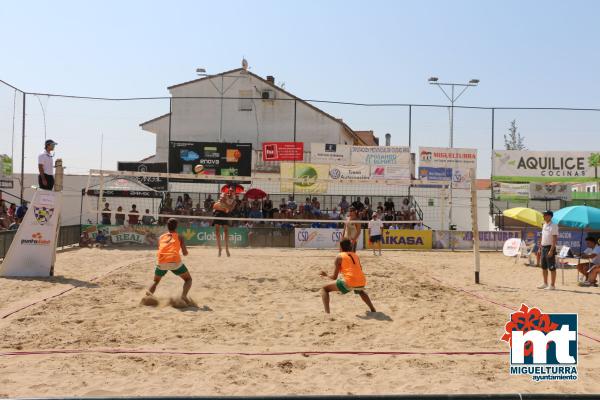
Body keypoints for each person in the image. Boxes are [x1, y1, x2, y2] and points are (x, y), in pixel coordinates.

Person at [319, 239, 376, 314]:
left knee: (324, 289)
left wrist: (326, 275)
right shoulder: (355, 255)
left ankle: (327, 313)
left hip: (350, 281)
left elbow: (334, 277)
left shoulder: (339, 257)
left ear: (341, 247)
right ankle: (373, 309)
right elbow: (359, 269)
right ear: (350, 247)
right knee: (360, 290)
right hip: (362, 280)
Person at [146, 218, 193, 305]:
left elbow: (162, 248)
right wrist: (185, 251)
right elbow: (185, 253)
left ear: (167, 226)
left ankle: (148, 295)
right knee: (188, 279)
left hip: (162, 261)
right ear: (177, 226)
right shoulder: (180, 236)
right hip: (174, 261)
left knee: (156, 281)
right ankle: (184, 296)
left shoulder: (161, 237)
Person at [537, 210, 559, 290]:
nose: (544, 216)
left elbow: (554, 239)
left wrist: (551, 250)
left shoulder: (554, 225)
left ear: (550, 216)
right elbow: (542, 237)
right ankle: (545, 283)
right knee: (543, 267)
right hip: (543, 247)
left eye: (545, 215)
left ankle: (552, 285)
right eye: (543, 215)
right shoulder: (544, 225)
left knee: (552, 267)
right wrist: (540, 248)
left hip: (550, 247)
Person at [213, 191, 235, 257]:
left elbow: (229, 209)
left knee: (226, 231)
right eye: (230, 190)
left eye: (232, 191)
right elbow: (215, 206)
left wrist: (225, 204)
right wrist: (220, 204)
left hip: (224, 214)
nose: (230, 192)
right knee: (217, 231)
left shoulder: (231, 200)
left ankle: (226, 248)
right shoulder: (223, 195)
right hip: (217, 213)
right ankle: (219, 248)